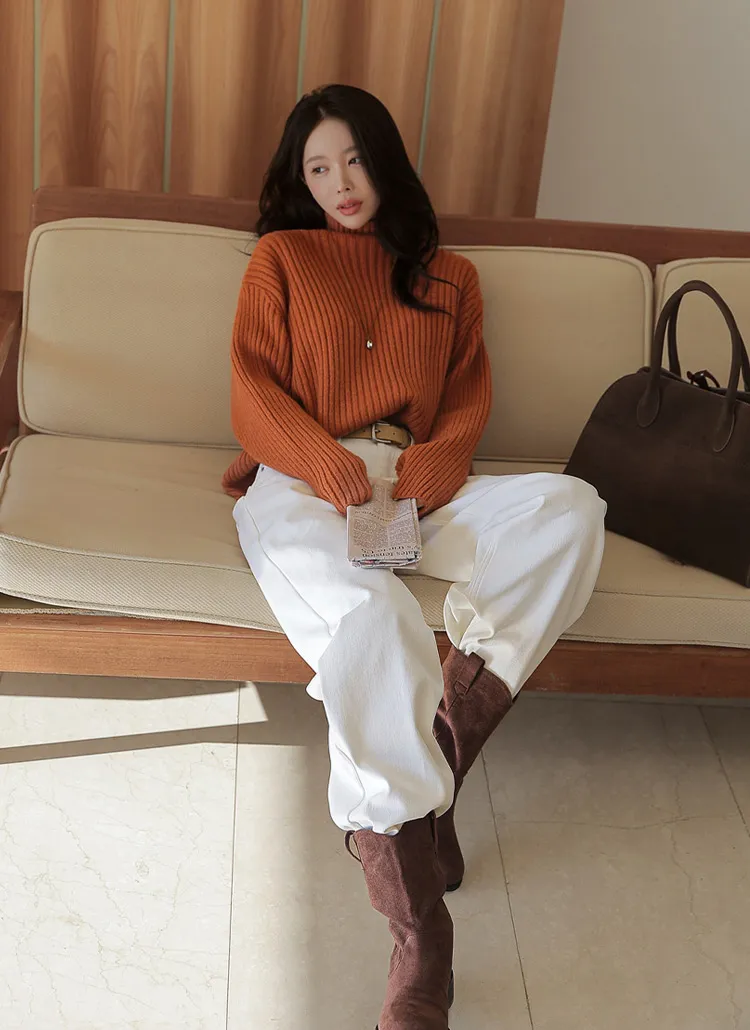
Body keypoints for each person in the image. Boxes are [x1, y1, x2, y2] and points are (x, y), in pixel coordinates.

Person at [223, 83, 606, 1030]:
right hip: (303, 483)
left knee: (570, 510)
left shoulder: (450, 278)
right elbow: (252, 389)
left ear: (384, 160)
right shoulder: (280, 259)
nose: (340, 182)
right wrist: (330, 468)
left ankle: (431, 774)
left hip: (417, 487)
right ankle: (419, 937)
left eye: (354, 159)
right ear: (301, 181)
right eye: (318, 167)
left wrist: (430, 471)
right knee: (375, 619)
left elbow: (468, 397)